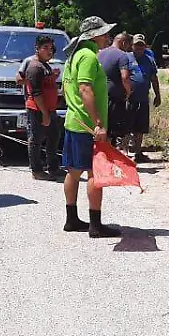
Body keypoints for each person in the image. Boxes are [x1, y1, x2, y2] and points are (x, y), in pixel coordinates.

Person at [61, 16, 121, 238]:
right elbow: (85, 89)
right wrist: (98, 124)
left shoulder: (74, 55)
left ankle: (71, 219)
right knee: (95, 172)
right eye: (104, 33)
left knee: (74, 171)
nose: (107, 37)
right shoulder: (87, 56)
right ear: (94, 35)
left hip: (74, 121)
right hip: (87, 126)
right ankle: (96, 225)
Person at [23, 34, 63, 181]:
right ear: (37, 49)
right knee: (36, 140)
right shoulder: (34, 67)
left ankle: (53, 167)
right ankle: (37, 170)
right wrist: (45, 113)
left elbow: (45, 84)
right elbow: (36, 92)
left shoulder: (45, 65)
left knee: (53, 137)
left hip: (50, 109)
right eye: (45, 48)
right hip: (37, 110)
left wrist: (53, 77)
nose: (49, 51)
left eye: (51, 48)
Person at [97, 32, 134, 151]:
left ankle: (101, 157)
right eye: (129, 45)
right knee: (116, 132)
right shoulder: (122, 56)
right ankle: (113, 158)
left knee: (103, 130)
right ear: (124, 42)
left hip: (100, 98)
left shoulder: (99, 54)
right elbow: (125, 77)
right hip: (115, 99)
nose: (128, 49)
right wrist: (128, 92)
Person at [128, 34, 162, 163]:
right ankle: (125, 153)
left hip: (143, 98)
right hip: (129, 98)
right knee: (127, 127)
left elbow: (154, 79)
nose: (139, 47)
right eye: (137, 45)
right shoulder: (126, 59)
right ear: (132, 46)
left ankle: (137, 152)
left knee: (140, 128)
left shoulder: (149, 60)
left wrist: (158, 95)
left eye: (141, 45)